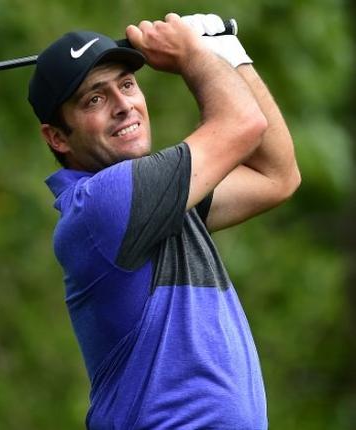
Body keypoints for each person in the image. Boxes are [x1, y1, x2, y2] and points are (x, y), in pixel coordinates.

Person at [27, 13, 300, 429]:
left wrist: (231, 54)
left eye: (127, 84)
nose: (123, 106)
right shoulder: (104, 204)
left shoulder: (163, 202)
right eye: (94, 100)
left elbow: (277, 176)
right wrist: (194, 54)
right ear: (58, 138)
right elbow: (242, 125)